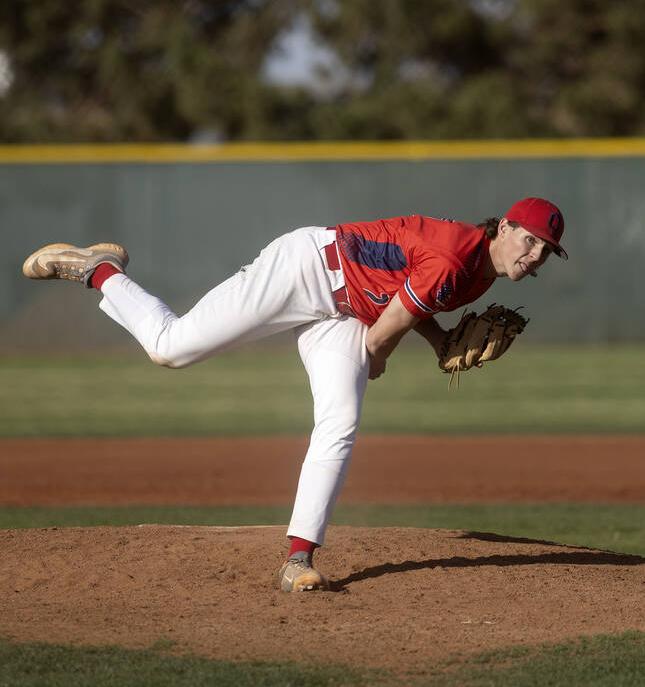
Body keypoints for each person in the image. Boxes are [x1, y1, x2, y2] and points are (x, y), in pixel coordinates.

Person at [21, 197, 568, 592]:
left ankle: (298, 558)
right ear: (505, 226)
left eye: (547, 252)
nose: (536, 255)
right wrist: (376, 360)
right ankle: (101, 272)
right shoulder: (458, 259)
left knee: (340, 420)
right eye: (531, 240)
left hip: (345, 307)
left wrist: (439, 341)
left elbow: (412, 304)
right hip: (305, 269)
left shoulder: (481, 270)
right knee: (172, 347)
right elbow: (382, 335)